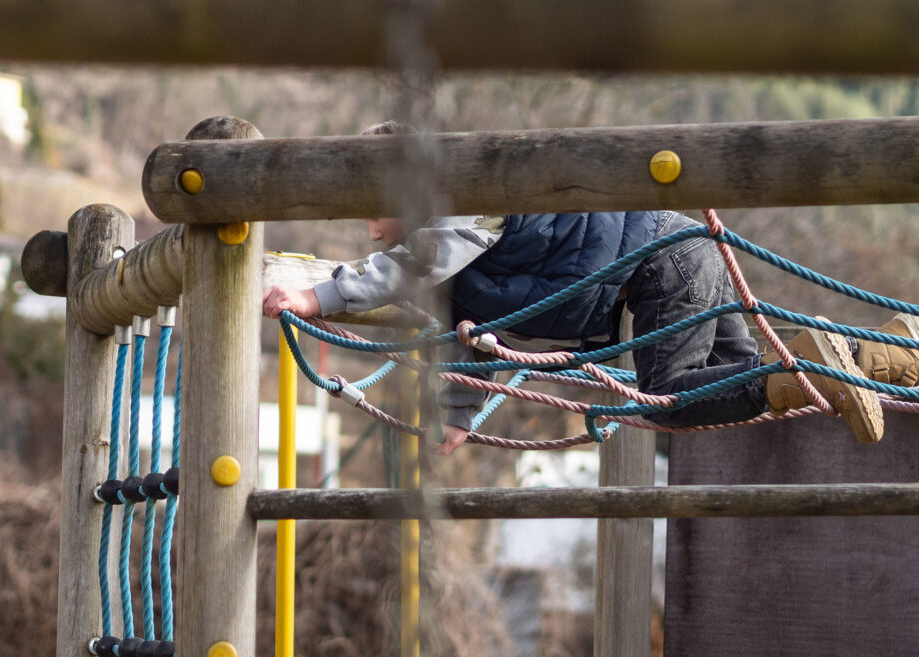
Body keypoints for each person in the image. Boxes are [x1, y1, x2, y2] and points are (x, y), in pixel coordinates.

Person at [263, 121, 919, 452]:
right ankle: (883, 356)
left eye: (370, 209)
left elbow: (416, 261)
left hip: (662, 259)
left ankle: (820, 367)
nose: (372, 233)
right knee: (736, 383)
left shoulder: (460, 201)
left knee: (668, 401)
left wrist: (319, 295)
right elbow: (468, 339)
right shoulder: (451, 264)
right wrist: (457, 418)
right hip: (680, 251)